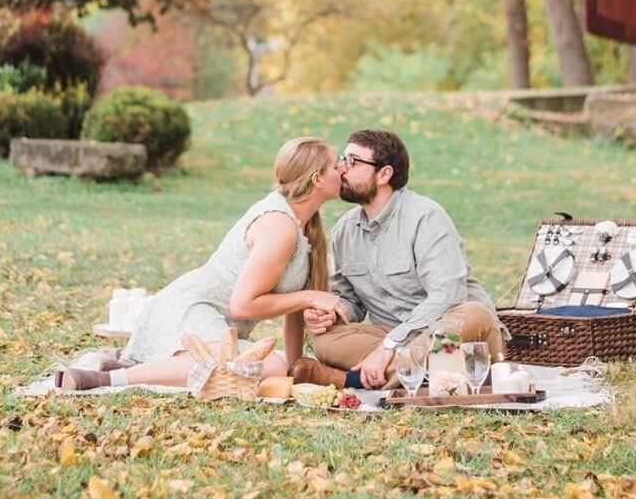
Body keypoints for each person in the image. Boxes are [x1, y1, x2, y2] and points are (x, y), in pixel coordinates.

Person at [58, 136, 349, 391]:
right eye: (336, 165)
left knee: (277, 366)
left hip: (218, 325)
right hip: (194, 308)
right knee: (269, 366)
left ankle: (127, 367)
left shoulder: (306, 227)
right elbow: (242, 306)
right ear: (317, 179)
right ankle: (105, 380)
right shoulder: (280, 225)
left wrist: (294, 369)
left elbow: (293, 307)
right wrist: (311, 296)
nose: (343, 170)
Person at [291, 128, 504, 389]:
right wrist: (332, 314)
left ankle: (350, 379)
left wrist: (389, 346)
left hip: (458, 336)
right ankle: (428, 373)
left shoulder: (425, 217)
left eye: (353, 161)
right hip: (400, 337)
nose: (342, 169)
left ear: (384, 174)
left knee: (475, 314)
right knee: (324, 340)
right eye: (343, 160)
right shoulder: (344, 231)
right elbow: (352, 302)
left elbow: (449, 295)